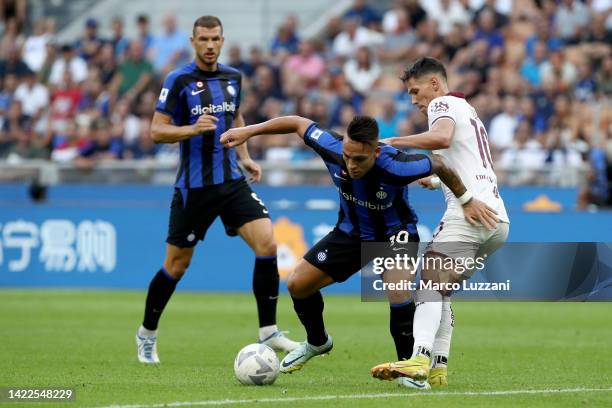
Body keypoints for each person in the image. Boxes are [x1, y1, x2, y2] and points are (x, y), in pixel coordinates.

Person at [220, 115, 497, 388]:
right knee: (297, 284)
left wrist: (466, 200)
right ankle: (318, 342)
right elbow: (296, 123)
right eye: (347, 157)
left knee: (399, 291)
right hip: (350, 233)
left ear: (375, 152)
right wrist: (249, 131)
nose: (351, 165)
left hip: (395, 234)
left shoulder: (396, 165)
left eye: (359, 159)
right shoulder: (331, 146)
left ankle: (407, 369)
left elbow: (440, 163)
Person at [135, 15, 299, 364]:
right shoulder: (178, 80)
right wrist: (192, 129)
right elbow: (156, 131)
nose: (210, 45)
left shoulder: (233, 78)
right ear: (193, 41)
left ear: (222, 41)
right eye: (204, 39)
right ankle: (147, 333)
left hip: (231, 181)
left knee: (268, 243)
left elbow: (236, 119)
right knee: (176, 266)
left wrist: (245, 155)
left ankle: (268, 331)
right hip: (194, 189)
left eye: (215, 39)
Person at [371, 57, 509, 387]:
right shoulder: (467, 109)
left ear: (434, 84)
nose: (414, 100)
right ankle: (439, 368)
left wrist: (392, 142)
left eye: (415, 91)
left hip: (469, 214)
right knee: (441, 290)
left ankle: (418, 357)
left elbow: (442, 139)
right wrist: (437, 182)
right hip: (498, 222)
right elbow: (468, 160)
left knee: (428, 286)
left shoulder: (443, 103)